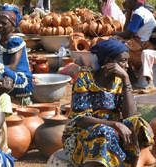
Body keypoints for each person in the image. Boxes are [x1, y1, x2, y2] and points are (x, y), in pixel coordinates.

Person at [62, 38, 154, 167]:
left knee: (138, 124)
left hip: (113, 133)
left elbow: (130, 115)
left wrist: (126, 80)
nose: (127, 66)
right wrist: (115, 124)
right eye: (123, 61)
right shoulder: (85, 80)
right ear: (108, 61)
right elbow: (81, 119)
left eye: (127, 61)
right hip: (83, 134)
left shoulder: (120, 82)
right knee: (103, 131)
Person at [0, 3, 34, 106]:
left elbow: (13, 67)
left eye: (4, 23)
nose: (0, 25)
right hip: (2, 75)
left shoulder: (16, 42)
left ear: (13, 27)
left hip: (19, 79)